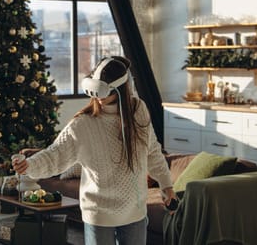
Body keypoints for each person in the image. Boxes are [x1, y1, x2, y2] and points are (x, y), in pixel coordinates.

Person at [12, 56, 176, 245]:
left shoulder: (138, 110)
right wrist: (30, 165)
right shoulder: (83, 124)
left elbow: (153, 151)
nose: (97, 96)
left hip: (135, 211)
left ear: (120, 89)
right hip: (99, 214)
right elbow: (56, 153)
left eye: (103, 91)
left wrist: (167, 185)